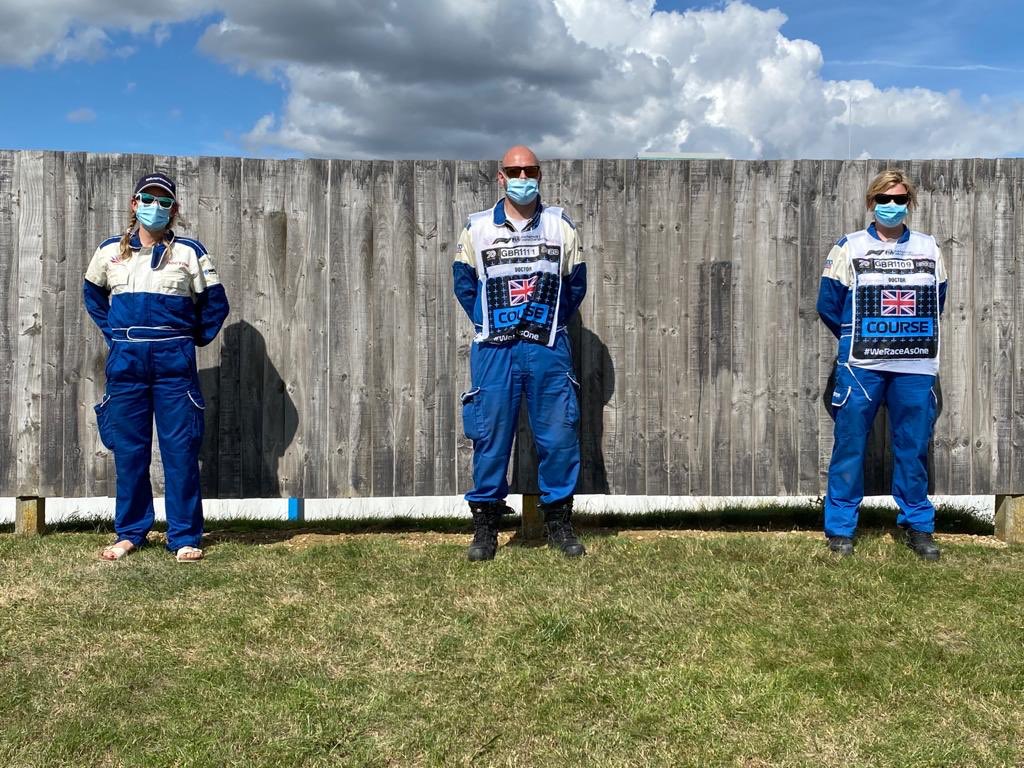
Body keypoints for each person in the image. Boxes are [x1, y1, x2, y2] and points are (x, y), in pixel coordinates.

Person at [84, 172, 230, 562]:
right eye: (148, 199)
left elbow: (216, 304)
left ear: (174, 209)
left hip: (173, 364)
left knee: (180, 450)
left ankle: (184, 536)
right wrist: (115, 334)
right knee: (129, 450)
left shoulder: (190, 252)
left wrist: (190, 339)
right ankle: (131, 532)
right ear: (134, 205)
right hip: (126, 363)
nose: (156, 207)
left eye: (164, 201)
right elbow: (92, 293)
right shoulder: (109, 252)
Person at [453, 145, 587, 560]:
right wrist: (493, 322)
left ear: (540, 174)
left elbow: (575, 284)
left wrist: (545, 320)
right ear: (501, 176)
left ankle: (559, 524)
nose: (522, 176)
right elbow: (464, 284)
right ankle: (485, 528)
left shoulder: (560, 226)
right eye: (514, 170)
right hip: (495, 350)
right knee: (490, 436)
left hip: (547, 348)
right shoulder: (476, 229)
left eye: (529, 169)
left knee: (559, 436)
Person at [817, 169, 947, 560]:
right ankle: (841, 530)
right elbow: (828, 303)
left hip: (915, 366)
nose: (892, 206)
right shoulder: (849, 247)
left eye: (900, 199)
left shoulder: (929, 248)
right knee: (850, 445)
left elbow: (936, 299)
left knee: (912, 447)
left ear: (911, 203)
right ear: (871, 203)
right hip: (861, 365)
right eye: (884, 199)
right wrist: (861, 335)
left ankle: (918, 525)